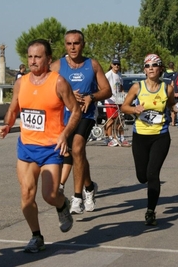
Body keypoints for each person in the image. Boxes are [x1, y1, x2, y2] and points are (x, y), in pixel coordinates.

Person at [0, 39, 81, 253]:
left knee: (49, 195)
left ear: (48, 59)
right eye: (30, 57)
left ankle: (62, 205)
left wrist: (64, 134)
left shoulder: (58, 82)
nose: (33, 61)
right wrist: (7, 124)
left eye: (38, 57)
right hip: (26, 147)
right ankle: (36, 236)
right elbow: (14, 108)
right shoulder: (21, 83)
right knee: (26, 194)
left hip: (51, 148)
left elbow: (76, 111)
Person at [50, 30, 112, 214]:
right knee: (76, 155)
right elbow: (48, 90)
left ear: (83, 44)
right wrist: (66, 96)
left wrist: (91, 97)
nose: (72, 47)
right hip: (65, 117)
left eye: (76, 43)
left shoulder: (92, 65)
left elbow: (107, 90)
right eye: (69, 44)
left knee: (77, 148)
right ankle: (90, 187)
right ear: (65, 45)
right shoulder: (56, 66)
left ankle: (77, 197)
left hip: (86, 115)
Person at [121, 54, 175, 226]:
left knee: (153, 174)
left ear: (160, 69)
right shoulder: (137, 87)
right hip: (140, 136)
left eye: (154, 65)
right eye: (147, 65)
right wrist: (134, 109)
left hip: (160, 136)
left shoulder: (167, 88)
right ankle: (149, 198)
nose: (150, 68)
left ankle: (150, 211)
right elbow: (124, 107)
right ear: (144, 69)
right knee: (142, 177)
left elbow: (172, 105)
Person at [104, 57, 130, 147]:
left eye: (118, 64)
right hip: (110, 100)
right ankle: (110, 138)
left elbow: (121, 87)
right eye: (114, 64)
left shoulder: (119, 75)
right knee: (111, 120)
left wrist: (124, 96)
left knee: (120, 119)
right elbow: (101, 84)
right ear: (111, 65)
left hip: (118, 100)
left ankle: (121, 137)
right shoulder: (108, 74)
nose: (116, 66)